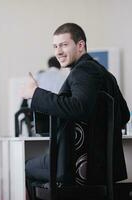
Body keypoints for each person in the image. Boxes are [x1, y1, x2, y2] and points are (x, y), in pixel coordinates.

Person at [21, 23, 130, 199]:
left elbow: (78, 108)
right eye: (55, 46)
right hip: (102, 165)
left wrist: (35, 94)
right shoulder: (105, 74)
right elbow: (124, 114)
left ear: (80, 45)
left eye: (64, 44)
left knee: (25, 167)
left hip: (75, 167)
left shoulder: (83, 71)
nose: (58, 51)